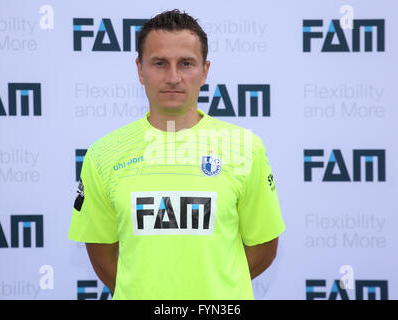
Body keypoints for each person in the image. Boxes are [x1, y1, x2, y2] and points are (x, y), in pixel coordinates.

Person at [68, 9, 285, 300]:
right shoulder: (103, 154)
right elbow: (101, 250)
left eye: (186, 63)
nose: (173, 77)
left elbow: (264, 246)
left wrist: (214, 288)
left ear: (205, 70)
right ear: (140, 69)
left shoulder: (246, 148)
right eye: (159, 63)